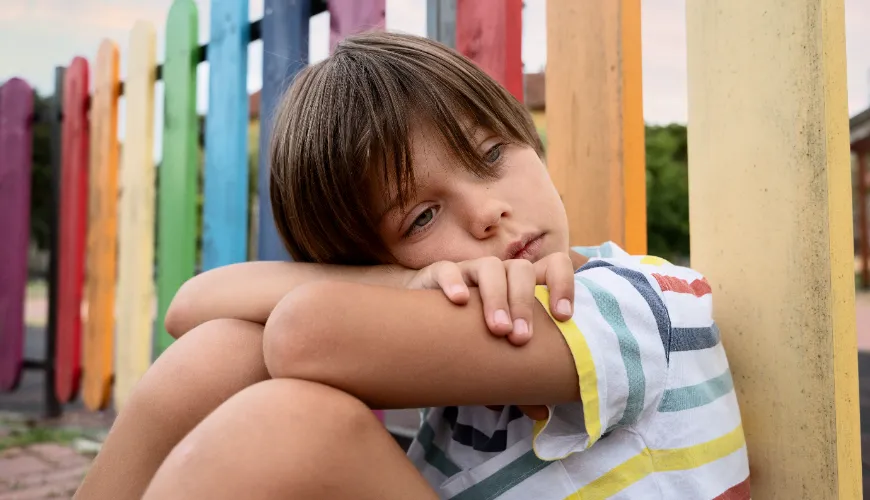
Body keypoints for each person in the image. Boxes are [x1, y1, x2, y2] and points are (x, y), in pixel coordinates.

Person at [76, 32, 748, 499]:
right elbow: (191, 306)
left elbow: (302, 335)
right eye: (421, 218)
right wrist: (402, 284)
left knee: (283, 430)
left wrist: (396, 283)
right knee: (217, 353)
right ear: (370, 260)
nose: (486, 212)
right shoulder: (462, 353)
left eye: (489, 156)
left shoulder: (639, 302)